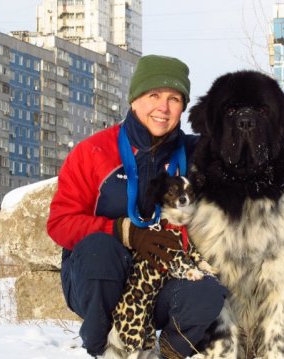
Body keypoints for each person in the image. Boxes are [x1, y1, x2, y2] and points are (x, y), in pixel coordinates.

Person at [47, 55, 227, 358]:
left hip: (166, 278)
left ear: (183, 107)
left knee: (208, 290)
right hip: (102, 281)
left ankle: (170, 351)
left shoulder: (199, 154)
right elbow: (60, 224)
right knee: (98, 250)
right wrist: (124, 231)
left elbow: (242, 172)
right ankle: (97, 348)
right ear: (134, 100)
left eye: (174, 99)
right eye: (153, 95)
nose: (163, 107)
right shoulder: (93, 152)